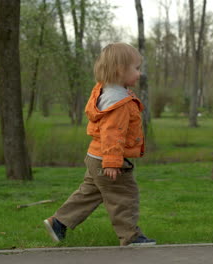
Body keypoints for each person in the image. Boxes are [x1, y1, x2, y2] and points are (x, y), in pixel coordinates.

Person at [43, 43, 156, 246]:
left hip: (95, 157)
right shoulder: (118, 103)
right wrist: (112, 162)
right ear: (120, 70)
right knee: (124, 197)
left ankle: (59, 222)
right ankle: (131, 238)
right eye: (136, 68)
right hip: (108, 160)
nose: (139, 74)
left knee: (89, 194)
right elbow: (113, 133)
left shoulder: (105, 92)